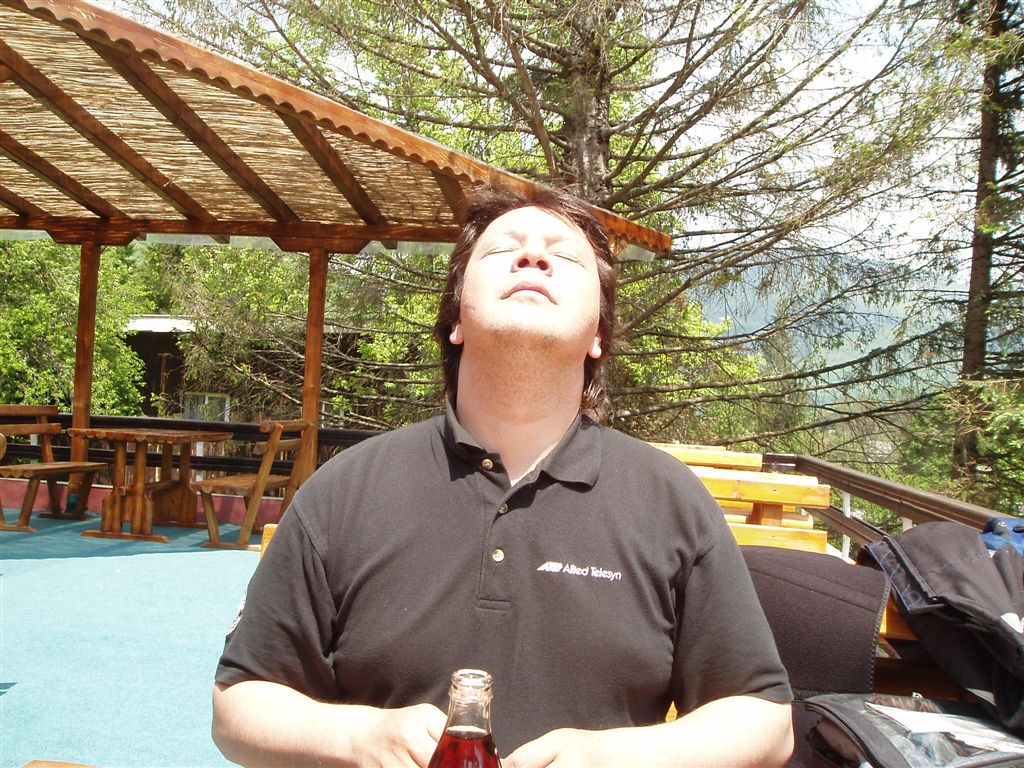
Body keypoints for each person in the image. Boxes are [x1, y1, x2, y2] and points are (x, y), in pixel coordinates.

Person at [211, 187, 795, 767]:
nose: (533, 257)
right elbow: (239, 705)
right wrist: (361, 738)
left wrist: (613, 758)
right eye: (503, 249)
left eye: (562, 256)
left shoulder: (670, 501)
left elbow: (764, 721)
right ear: (456, 321)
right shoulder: (345, 491)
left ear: (598, 335)